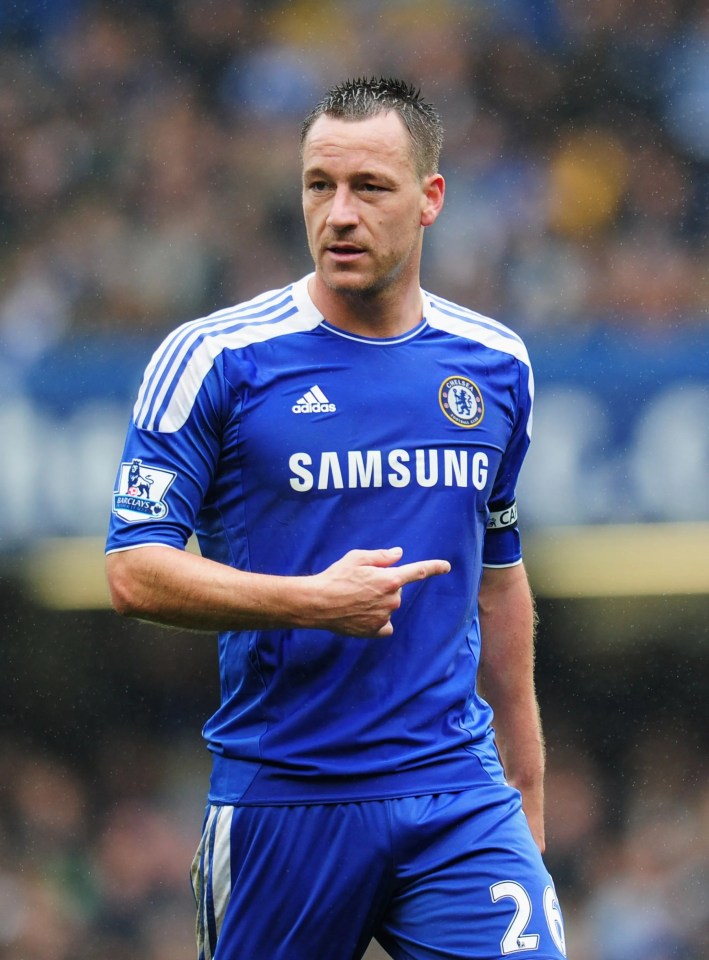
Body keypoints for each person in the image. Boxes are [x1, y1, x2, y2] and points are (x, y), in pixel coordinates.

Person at [105, 76, 567, 960]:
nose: (340, 214)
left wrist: (524, 785)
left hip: (455, 794)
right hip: (286, 794)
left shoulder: (494, 365)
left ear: (430, 199)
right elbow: (133, 570)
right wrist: (313, 601)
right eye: (320, 186)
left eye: (369, 188)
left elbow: (498, 581)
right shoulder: (215, 359)